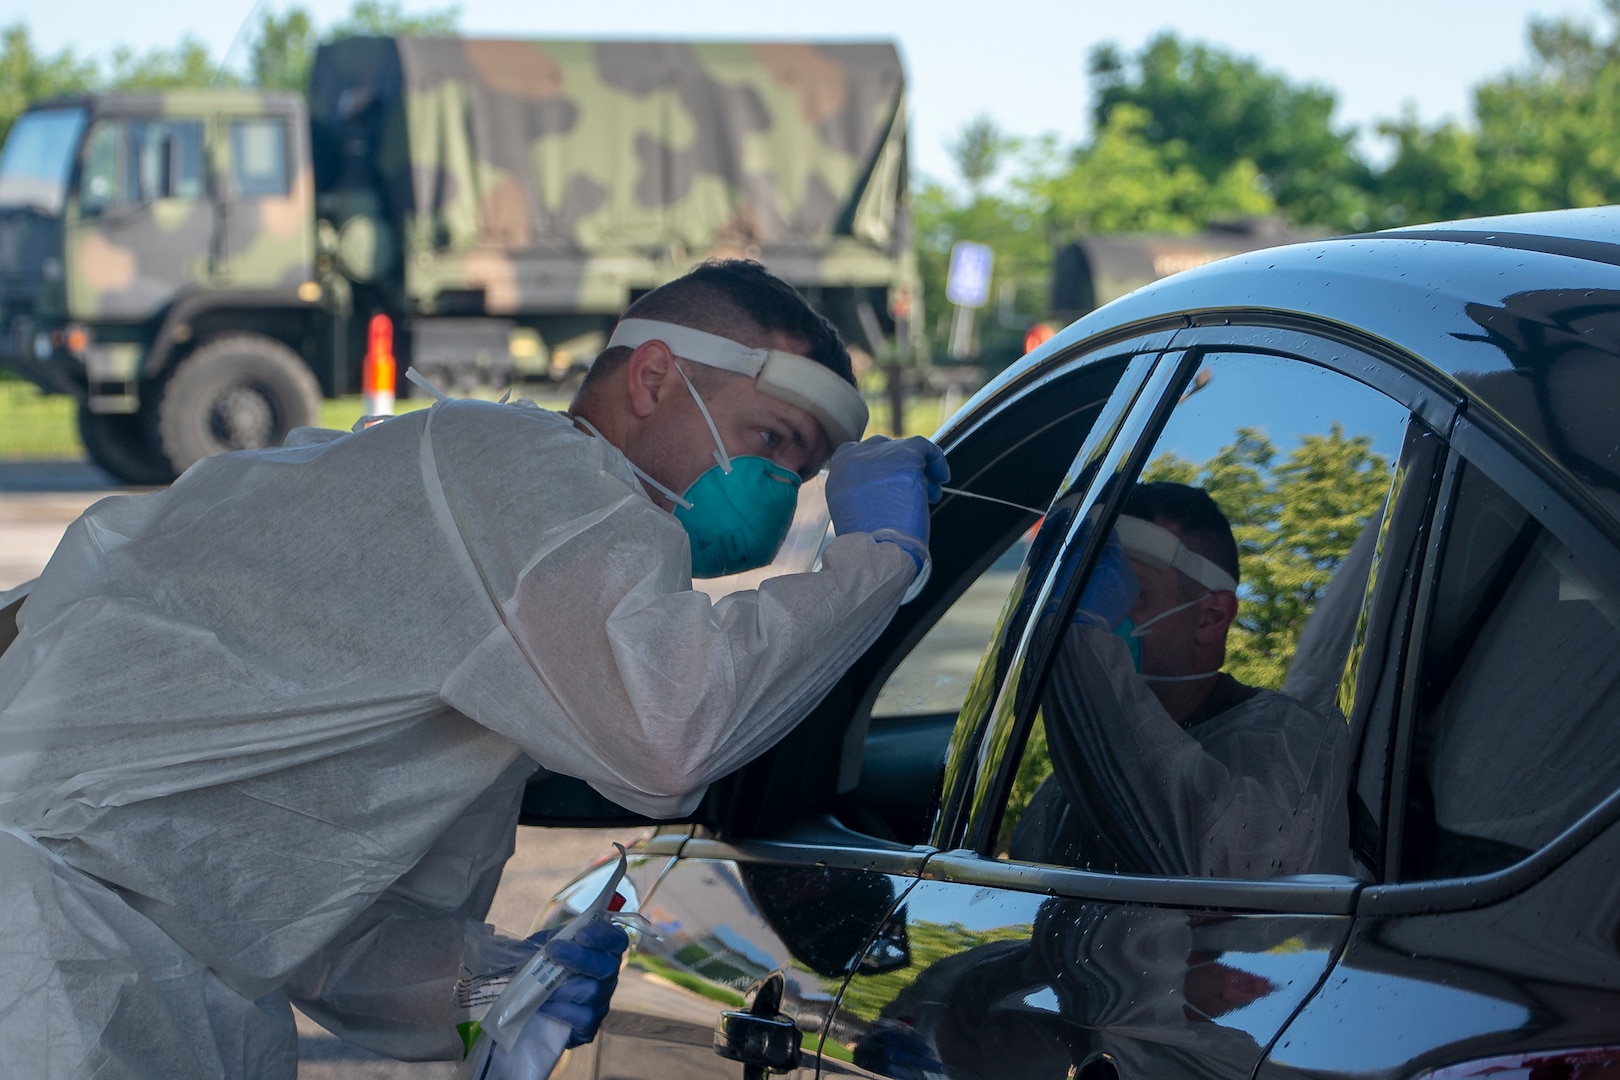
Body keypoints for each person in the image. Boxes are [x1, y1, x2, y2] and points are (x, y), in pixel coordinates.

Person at [0, 259, 947, 1079]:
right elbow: (669, 735)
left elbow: (330, 928)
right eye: (771, 441)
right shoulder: (530, 480)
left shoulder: (505, 595)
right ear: (655, 378)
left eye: (805, 470)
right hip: (51, 943)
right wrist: (881, 560)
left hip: (140, 966)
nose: (779, 493)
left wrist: (498, 981)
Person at [1009, 482, 1349, 879]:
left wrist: (1080, 640)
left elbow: (1211, 868)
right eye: (1076, 595)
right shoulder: (1065, 789)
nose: (1093, 615)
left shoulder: (1291, 748)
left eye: (1127, 591)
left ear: (1211, 617)